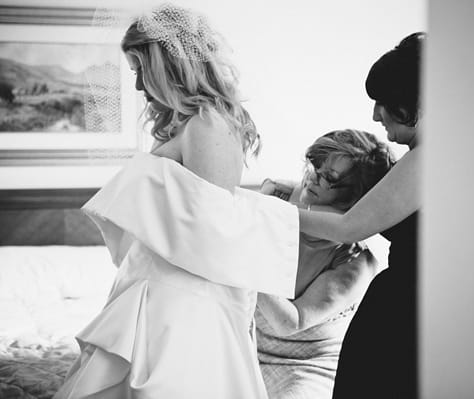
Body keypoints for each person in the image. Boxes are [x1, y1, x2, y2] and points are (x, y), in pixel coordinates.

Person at [54, 4, 300, 398]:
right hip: (152, 282)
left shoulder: (209, 125)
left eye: (139, 71)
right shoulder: (183, 123)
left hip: (181, 299)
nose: (137, 86)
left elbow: (213, 232)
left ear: (169, 66)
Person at [297, 32, 426, 398]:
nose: (375, 114)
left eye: (384, 102)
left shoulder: (431, 158)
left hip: (406, 316)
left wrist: (277, 214)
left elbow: (349, 227)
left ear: (413, 100)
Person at [255, 129, 395, 398]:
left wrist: (247, 258)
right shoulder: (286, 197)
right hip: (247, 344)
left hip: (304, 366)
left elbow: (288, 322)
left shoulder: (355, 263)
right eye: (315, 166)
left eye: (328, 178)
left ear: (355, 198)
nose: (313, 178)